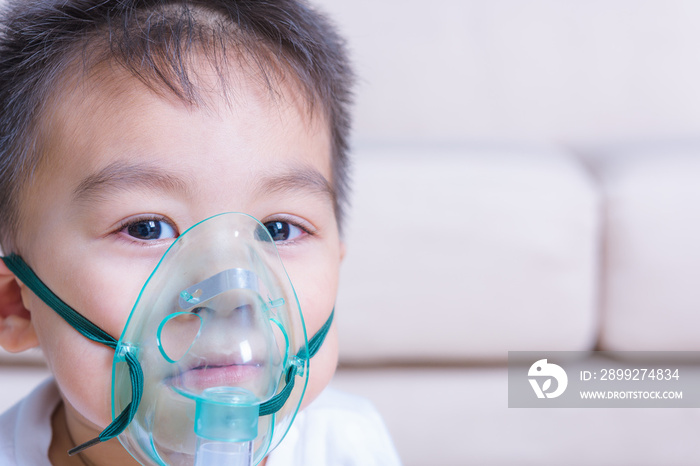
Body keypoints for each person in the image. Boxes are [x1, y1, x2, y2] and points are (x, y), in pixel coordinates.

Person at [0, 1, 401, 465]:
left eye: (278, 230)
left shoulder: (347, 446)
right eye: (146, 228)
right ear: (15, 304)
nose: (231, 291)